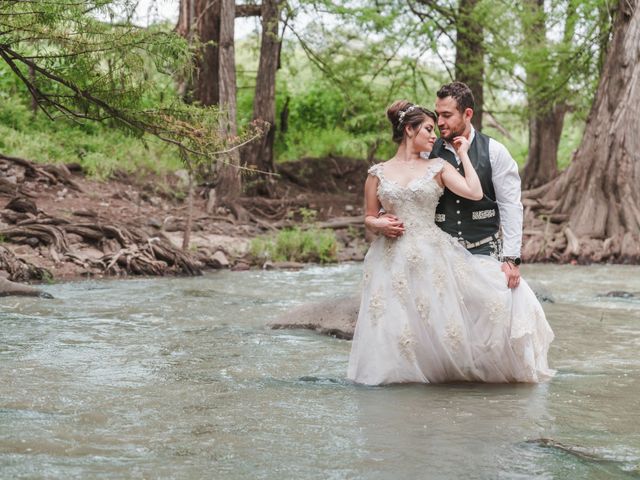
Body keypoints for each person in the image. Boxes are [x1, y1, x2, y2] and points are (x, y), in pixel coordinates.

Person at [346, 100, 554, 385]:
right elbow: (369, 217)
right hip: (390, 257)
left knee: (456, 312)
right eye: (429, 128)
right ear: (409, 129)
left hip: (431, 251)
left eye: (438, 125)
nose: (435, 134)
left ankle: (447, 377)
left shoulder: (437, 165)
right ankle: (396, 383)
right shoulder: (377, 174)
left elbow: (475, 191)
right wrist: (377, 223)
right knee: (396, 322)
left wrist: (464, 154)